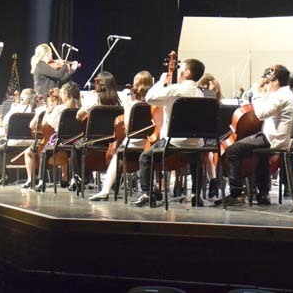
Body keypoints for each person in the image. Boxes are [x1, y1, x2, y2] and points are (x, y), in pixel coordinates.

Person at [132, 60, 208, 207]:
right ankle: (195, 195)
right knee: (195, 158)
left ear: (187, 73)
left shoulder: (175, 90)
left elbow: (149, 99)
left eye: (182, 68)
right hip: (196, 142)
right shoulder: (200, 94)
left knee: (145, 158)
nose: (179, 70)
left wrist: (161, 81)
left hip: (174, 141)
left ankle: (147, 194)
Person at [220, 64, 293, 207]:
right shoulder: (286, 94)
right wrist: (265, 92)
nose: (267, 84)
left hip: (272, 139)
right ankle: (263, 194)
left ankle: (236, 194)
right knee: (261, 157)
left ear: (275, 81)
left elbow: (261, 114)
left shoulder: (281, 95)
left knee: (232, 151)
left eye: (268, 81)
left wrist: (256, 92)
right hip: (278, 139)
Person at [90, 71, 153, 201]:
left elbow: (127, 128)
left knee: (117, 155)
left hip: (134, 142)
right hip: (151, 141)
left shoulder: (132, 104)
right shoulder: (156, 102)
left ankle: (105, 190)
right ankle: (153, 186)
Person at [71, 72, 121, 192]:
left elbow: (78, 116)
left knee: (76, 147)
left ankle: (81, 178)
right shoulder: (119, 101)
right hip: (113, 141)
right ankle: (115, 183)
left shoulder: (94, 100)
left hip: (95, 141)